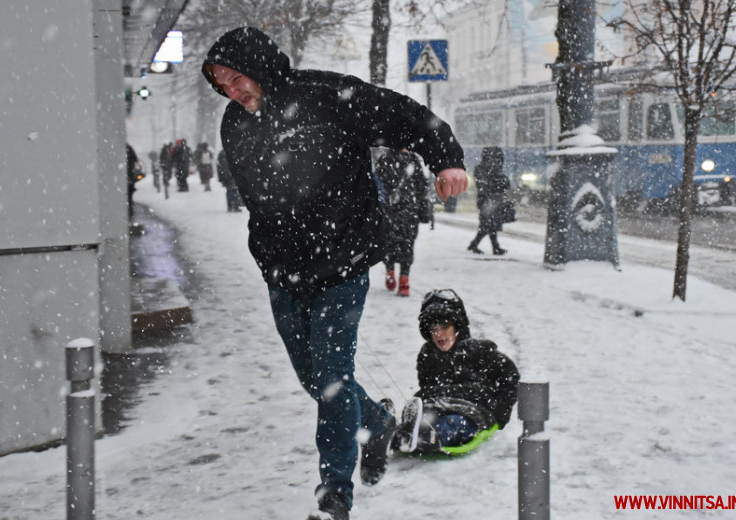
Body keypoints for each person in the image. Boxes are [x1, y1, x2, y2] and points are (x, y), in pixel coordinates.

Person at [201, 26, 468, 520]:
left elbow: (408, 116)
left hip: (340, 263)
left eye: (237, 79)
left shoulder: (328, 96)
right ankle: (379, 419)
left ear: (258, 67)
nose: (232, 92)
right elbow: (258, 199)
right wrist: (272, 251)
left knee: (331, 379)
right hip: (283, 273)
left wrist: (446, 159)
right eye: (221, 85)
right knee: (314, 379)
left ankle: (334, 496)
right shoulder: (234, 124)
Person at [392, 289, 519, 454]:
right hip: (438, 404)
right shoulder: (428, 354)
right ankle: (396, 432)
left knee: (454, 423)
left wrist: (501, 413)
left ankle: (426, 437)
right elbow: (426, 384)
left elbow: (509, 376)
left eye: (445, 327)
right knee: (426, 417)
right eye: (434, 329)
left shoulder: (478, 350)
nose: (439, 334)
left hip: (471, 409)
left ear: (457, 327)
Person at [376, 148, 431, 297]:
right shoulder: (414, 161)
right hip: (409, 210)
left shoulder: (384, 160)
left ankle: (390, 272)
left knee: (388, 243)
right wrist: (424, 211)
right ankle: (404, 279)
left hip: (389, 210)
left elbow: (377, 185)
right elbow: (422, 188)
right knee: (407, 244)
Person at [468, 146, 513, 255]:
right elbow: (484, 186)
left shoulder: (493, 170)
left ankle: (479, 245)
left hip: (493, 201)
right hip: (487, 201)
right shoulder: (481, 169)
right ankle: (487, 246)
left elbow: (504, 184)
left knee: (490, 224)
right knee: (489, 225)